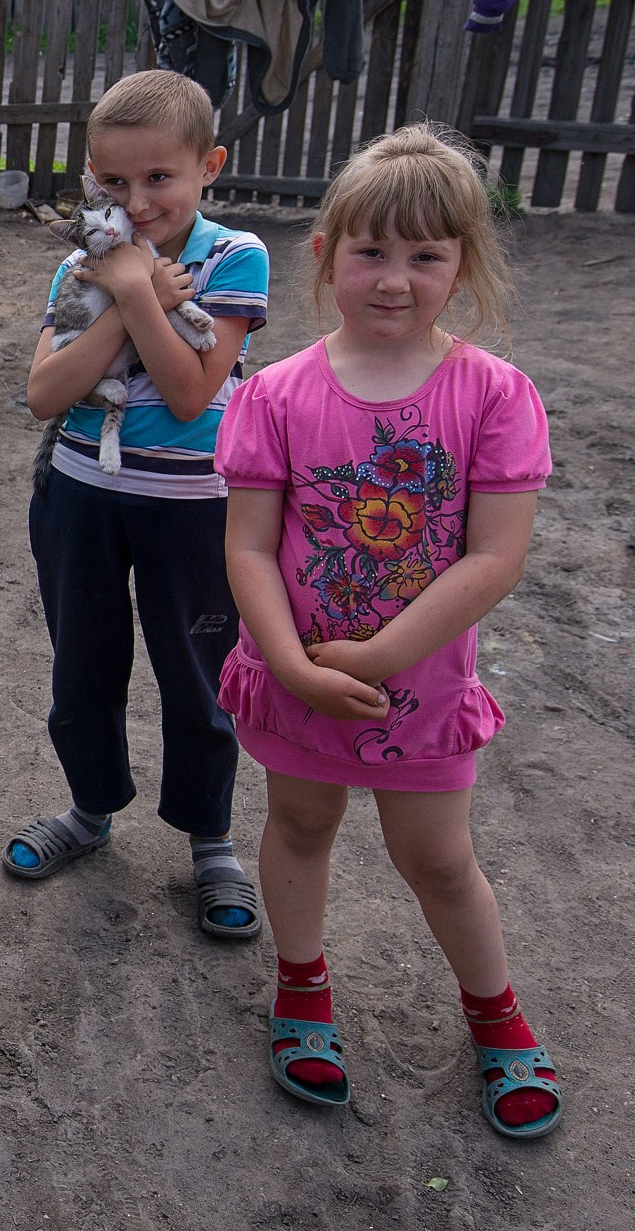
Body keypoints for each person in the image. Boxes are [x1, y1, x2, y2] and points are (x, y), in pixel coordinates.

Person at [216, 125, 560, 1138]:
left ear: (464, 263)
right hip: (295, 682)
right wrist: (290, 663)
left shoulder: (493, 395)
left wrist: (374, 658)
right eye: (371, 250)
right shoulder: (275, 395)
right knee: (302, 824)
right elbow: (247, 548)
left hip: (422, 694)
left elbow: (494, 556)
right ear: (324, 254)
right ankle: (302, 987)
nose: (395, 279)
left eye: (425, 254)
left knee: (439, 860)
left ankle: (495, 1014)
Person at [3, 70, 271, 941]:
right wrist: (129, 292)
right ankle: (89, 809)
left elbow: (193, 391)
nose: (136, 199)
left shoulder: (235, 257)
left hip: (194, 506)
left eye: (160, 177)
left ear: (209, 167)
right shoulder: (79, 264)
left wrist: (124, 291)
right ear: (90, 177)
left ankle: (211, 837)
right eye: (113, 182)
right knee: (83, 664)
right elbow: (47, 392)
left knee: (200, 674)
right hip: (80, 493)